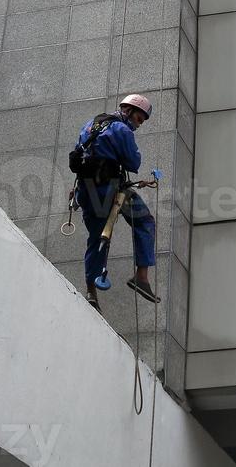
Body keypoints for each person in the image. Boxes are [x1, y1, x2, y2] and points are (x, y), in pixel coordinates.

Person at [74, 93, 160, 311]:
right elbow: (133, 162)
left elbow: (80, 154)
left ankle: (91, 291)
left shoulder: (91, 124)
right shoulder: (122, 130)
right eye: (139, 119)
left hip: (86, 190)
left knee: (97, 238)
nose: (138, 125)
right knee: (145, 221)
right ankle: (142, 276)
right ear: (129, 111)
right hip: (109, 190)